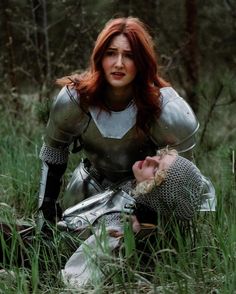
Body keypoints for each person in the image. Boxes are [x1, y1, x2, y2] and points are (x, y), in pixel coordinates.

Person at [38, 16, 199, 225]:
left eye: (129, 56)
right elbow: (53, 153)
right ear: (100, 58)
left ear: (141, 62)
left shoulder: (167, 110)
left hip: (142, 202)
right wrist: (45, 212)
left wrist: (151, 219)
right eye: (111, 53)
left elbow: (182, 182)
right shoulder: (75, 100)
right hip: (85, 192)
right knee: (66, 244)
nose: (119, 64)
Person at [60, 149, 216, 287]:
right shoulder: (129, 190)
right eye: (159, 156)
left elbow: (80, 277)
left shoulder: (121, 224)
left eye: (156, 169)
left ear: (158, 194)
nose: (149, 158)